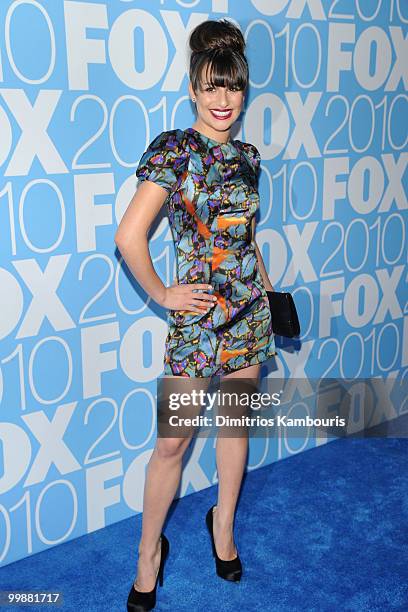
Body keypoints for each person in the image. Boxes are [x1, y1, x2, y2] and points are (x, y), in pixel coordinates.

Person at [114, 18, 277, 611]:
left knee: (235, 428)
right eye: (211, 86)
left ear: (244, 88)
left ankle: (224, 527)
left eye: (232, 86)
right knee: (171, 446)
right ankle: (146, 554)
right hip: (197, 326)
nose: (223, 100)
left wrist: (265, 289)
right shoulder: (175, 151)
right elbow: (129, 236)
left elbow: (246, 239)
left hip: (249, 320)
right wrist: (163, 294)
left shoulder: (249, 156)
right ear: (192, 88)